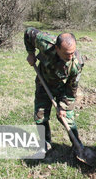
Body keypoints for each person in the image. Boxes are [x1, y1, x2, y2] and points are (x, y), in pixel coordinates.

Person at [24, 27, 84, 158]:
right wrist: (31, 53)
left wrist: (62, 106)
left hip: (63, 88)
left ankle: (77, 146)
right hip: (43, 82)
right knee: (40, 116)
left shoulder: (76, 64)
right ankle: (45, 144)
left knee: (67, 117)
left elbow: (71, 90)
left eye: (72, 52)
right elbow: (28, 32)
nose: (70, 56)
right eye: (66, 53)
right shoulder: (45, 42)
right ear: (57, 48)